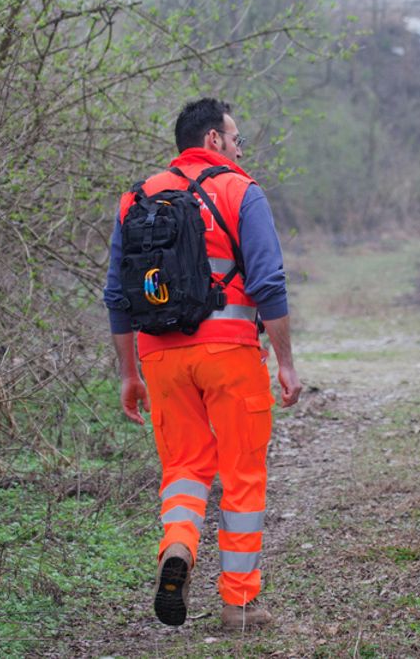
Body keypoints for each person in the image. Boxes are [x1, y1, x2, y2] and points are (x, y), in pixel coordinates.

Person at [103, 98, 302, 631]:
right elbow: (268, 283)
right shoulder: (242, 190)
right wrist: (285, 361)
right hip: (230, 354)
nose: (240, 148)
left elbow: (117, 297)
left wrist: (129, 375)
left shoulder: (137, 198)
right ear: (213, 140)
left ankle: (178, 549)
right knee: (241, 473)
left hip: (160, 358)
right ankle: (239, 605)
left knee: (186, 470)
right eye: (236, 139)